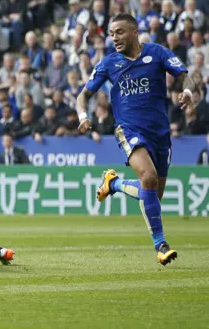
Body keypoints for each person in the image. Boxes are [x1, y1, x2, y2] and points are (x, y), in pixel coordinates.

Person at [76, 13, 194, 266]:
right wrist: (83, 115)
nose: (114, 38)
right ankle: (161, 245)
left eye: (119, 32)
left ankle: (114, 183)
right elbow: (83, 95)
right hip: (129, 130)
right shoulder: (109, 63)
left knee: (152, 194)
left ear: (133, 31)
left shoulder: (158, 53)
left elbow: (185, 75)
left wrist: (186, 90)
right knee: (148, 179)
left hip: (160, 133)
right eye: (111, 34)